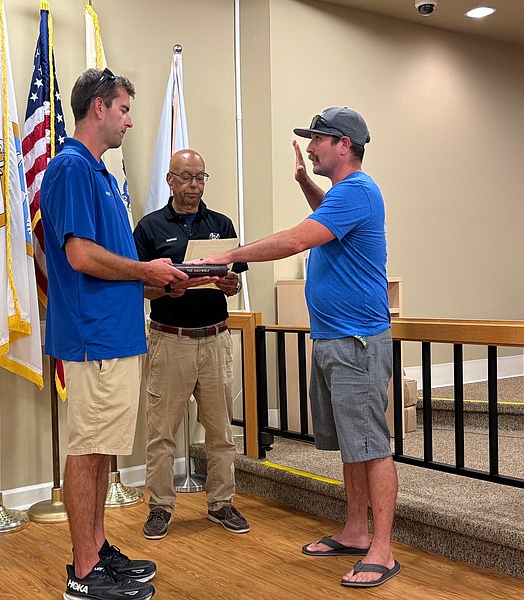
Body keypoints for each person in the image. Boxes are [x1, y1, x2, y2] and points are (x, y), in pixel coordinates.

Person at [192, 107, 400, 588]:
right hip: (333, 339)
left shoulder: (359, 191)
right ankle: (353, 530)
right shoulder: (343, 197)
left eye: (318, 139)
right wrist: (306, 183)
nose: (310, 145)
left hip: (357, 342)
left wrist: (229, 255)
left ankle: (383, 549)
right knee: (352, 445)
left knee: (371, 446)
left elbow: (294, 241)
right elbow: (323, 217)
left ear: (344, 144)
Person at [41, 68, 187, 600]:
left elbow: (114, 265)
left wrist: (157, 284)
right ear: (98, 108)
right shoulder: (70, 168)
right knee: (88, 449)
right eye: (124, 109)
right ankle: (83, 573)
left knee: (102, 451)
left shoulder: (101, 176)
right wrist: (145, 272)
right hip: (94, 338)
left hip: (117, 333)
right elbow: (79, 256)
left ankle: (97, 548)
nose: (130, 119)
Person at [133, 149, 250, 540]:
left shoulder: (221, 224)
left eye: (200, 177)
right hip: (171, 341)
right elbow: (140, 288)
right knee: (162, 432)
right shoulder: (150, 228)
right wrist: (168, 288)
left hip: (215, 339)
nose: (194, 185)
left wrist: (232, 285)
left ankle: (221, 503)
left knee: (220, 432)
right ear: (170, 180)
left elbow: (233, 279)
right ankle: (160, 507)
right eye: (185, 177)